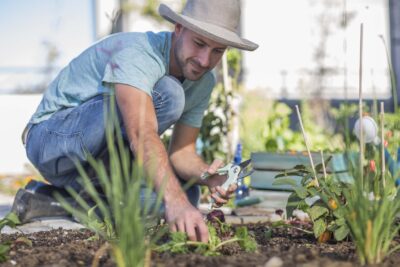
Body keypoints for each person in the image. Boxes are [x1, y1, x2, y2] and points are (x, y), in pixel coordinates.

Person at [21, 0, 258, 242]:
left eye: (218, 51)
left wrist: (208, 177)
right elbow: (141, 134)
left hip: (96, 168)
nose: (205, 60)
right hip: (52, 141)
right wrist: (174, 201)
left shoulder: (204, 81)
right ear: (178, 29)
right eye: (199, 43)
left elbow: (182, 154)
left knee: (190, 194)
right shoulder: (141, 52)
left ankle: (53, 201)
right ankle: (91, 197)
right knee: (169, 94)